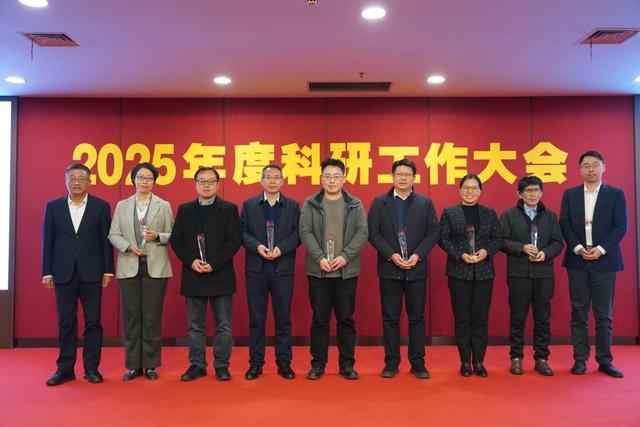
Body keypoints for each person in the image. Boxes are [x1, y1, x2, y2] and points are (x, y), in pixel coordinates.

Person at [41, 163, 114, 386]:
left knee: (93, 322)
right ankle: (65, 369)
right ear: (66, 181)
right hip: (63, 272)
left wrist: (108, 270)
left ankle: (91, 369)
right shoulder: (53, 207)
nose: (76, 182)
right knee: (66, 322)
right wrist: (47, 272)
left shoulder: (101, 206)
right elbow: (47, 241)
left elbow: (106, 241)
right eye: (72, 178)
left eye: (81, 179)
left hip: (92, 271)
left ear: (89, 182)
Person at [368, 159, 439, 379]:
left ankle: (418, 363)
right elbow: (373, 233)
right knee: (390, 318)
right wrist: (392, 255)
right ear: (392, 177)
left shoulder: (425, 203)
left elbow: (433, 233)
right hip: (390, 268)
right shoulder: (380, 203)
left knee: (417, 318)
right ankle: (391, 363)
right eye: (399, 174)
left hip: (417, 269)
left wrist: (417, 255)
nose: (403, 178)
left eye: (407, 174)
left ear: (414, 178)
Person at [559, 150, 627, 378]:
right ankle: (580, 359)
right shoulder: (570, 194)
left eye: (595, 165)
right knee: (578, 311)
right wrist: (578, 247)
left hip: (605, 260)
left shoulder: (615, 194)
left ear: (603, 167)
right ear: (579, 170)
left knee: (603, 314)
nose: (590, 169)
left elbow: (620, 227)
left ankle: (605, 360)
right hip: (577, 260)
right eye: (586, 165)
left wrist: (600, 249)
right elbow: (565, 224)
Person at [299, 158, 368, 380]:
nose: (331, 180)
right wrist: (319, 257)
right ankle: (318, 364)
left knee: (346, 319)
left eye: (336, 176)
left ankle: (347, 364)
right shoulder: (311, 203)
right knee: (320, 320)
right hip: (318, 271)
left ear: (344, 178)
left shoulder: (354, 204)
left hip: (346, 272)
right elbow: (305, 232)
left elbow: (362, 232)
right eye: (327, 176)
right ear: (321, 178)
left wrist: (345, 256)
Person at [170, 167, 241, 381]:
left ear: (218, 185)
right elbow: (177, 240)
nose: (206, 185)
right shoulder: (185, 210)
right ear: (195, 184)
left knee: (223, 325)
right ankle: (197, 365)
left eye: (211, 181)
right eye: (202, 181)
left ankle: (221, 365)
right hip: (194, 273)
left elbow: (234, 240)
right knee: (195, 325)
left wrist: (214, 264)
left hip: (220, 273)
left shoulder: (229, 209)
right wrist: (191, 261)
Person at [108, 163, 173, 381]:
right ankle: (133, 365)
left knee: (152, 317)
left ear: (154, 182)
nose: (145, 182)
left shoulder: (163, 205)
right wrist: (128, 246)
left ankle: (151, 365)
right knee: (132, 317)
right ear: (133, 179)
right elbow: (113, 234)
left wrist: (158, 236)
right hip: (129, 264)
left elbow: (172, 233)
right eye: (141, 177)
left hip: (156, 266)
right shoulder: (122, 205)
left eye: (149, 178)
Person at [240, 164, 300, 380]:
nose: (272, 181)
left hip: (282, 268)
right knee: (256, 319)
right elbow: (242, 233)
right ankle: (256, 363)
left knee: (283, 318)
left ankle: (284, 363)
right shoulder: (249, 205)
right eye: (268, 177)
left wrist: (281, 249)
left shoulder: (292, 206)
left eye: (276, 178)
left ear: (282, 181)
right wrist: (258, 247)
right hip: (256, 268)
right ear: (261, 181)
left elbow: (298, 234)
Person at [438, 174, 501, 377]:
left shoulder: (489, 213)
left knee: (481, 319)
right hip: (459, 272)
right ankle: (465, 361)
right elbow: (443, 239)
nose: (470, 191)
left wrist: (486, 251)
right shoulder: (450, 213)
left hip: (484, 273)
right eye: (466, 187)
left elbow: (497, 238)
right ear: (460, 190)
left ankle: (479, 362)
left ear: (480, 191)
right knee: (462, 318)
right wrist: (460, 254)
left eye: (474, 188)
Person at [499, 175, 563, 376]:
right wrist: (521, 247)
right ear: (520, 194)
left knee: (543, 317)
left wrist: (545, 253)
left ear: (541, 192)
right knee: (517, 317)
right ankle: (516, 357)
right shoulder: (508, 216)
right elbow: (500, 241)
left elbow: (558, 243)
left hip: (544, 274)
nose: (532, 194)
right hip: (518, 273)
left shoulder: (550, 216)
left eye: (536, 190)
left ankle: (541, 358)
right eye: (528, 190)